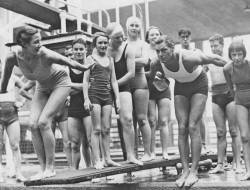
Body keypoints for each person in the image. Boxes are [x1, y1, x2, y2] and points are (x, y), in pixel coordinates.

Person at [0, 25, 93, 180]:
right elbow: (5, 78)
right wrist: (2, 91)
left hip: (60, 83)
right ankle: (42, 169)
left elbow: (69, 62)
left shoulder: (44, 53)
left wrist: (85, 67)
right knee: (32, 124)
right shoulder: (12, 57)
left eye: (40, 40)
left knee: (44, 122)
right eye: (36, 42)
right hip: (42, 87)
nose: (40, 44)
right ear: (24, 45)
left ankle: (50, 168)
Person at [154, 35, 226, 187]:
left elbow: (214, 59)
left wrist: (237, 67)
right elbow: (158, 84)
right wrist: (160, 81)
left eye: (164, 50)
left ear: (172, 49)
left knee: (193, 126)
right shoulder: (157, 63)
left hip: (199, 83)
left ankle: (194, 171)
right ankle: (185, 170)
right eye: (158, 51)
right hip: (181, 86)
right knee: (181, 127)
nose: (160, 54)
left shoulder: (187, 57)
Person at [106, 23, 142, 166]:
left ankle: (131, 155)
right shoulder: (104, 49)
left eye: (122, 36)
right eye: (117, 37)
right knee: (104, 125)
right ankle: (105, 158)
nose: (121, 39)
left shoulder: (128, 49)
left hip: (122, 86)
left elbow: (131, 74)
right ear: (109, 38)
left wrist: (114, 85)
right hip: (105, 89)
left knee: (127, 119)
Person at [83, 32, 121, 169]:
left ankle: (108, 159)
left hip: (107, 96)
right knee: (96, 129)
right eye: (100, 43)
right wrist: (86, 98)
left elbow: (114, 81)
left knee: (106, 129)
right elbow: (85, 80)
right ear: (95, 44)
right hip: (94, 95)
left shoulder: (110, 60)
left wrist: (117, 99)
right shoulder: (90, 58)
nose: (103, 45)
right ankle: (97, 160)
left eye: (105, 42)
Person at [207, 34, 242, 174]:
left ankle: (237, 162)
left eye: (216, 46)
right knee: (220, 132)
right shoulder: (209, 61)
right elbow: (199, 74)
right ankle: (220, 163)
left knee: (234, 131)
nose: (214, 48)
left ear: (222, 45)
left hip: (229, 95)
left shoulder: (229, 59)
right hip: (216, 96)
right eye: (212, 46)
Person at [0, 60, 32, 182]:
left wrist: (22, 102)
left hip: (12, 115)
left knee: (15, 145)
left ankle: (19, 173)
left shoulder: (12, 77)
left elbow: (25, 89)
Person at [178, 28, 208, 154]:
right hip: (183, 88)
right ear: (179, 38)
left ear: (190, 38)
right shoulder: (177, 52)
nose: (185, 39)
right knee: (185, 121)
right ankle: (188, 149)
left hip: (197, 88)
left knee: (198, 118)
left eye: (187, 36)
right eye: (182, 37)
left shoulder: (197, 51)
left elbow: (206, 66)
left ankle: (203, 144)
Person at [223, 39, 250, 180]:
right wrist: (237, 99)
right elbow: (230, 87)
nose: (237, 57)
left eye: (239, 54)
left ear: (244, 54)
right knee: (244, 136)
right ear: (230, 55)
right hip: (240, 100)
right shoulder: (227, 68)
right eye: (234, 54)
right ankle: (248, 170)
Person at [126, 16, 152, 161]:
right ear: (127, 28)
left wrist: (129, 61)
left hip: (140, 82)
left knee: (142, 118)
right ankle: (132, 154)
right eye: (132, 25)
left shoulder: (143, 44)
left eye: (137, 25)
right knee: (130, 121)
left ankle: (147, 152)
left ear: (140, 28)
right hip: (127, 83)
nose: (134, 28)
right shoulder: (123, 44)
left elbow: (144, 61)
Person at [145, 26, 171, 159]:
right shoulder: (145, 50)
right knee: (151, 121)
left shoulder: (164, 49)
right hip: (149, 88)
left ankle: (165, 152)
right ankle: (152, 151)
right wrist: (143, 73)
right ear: (148, 37)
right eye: (151, 35)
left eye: (156, 34)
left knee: (164, 121)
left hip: (163, 87)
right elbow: (150, 71)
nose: (154, 37)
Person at [67, 38, 92, 169]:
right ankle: (75, 171)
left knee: (89, 142)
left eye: (81, 49)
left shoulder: (90, 65)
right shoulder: (68, 67)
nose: (78, 52)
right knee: (75, 143)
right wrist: (83, 86)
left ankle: (91, 169)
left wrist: (73, 86)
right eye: (76, 49)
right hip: (73, 108)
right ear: (72, 51)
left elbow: (91, 86)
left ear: (86, 50)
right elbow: (66, 88)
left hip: (88, 106)